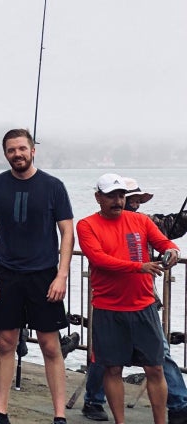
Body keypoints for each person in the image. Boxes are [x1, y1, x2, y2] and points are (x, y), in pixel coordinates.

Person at [0, 128, 73, 424]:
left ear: (33, 150)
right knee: (5, 342)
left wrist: (62, 275)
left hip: (44, 275)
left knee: (49, 344)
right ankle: (1, 413)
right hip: (6, 274)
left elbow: (67, 232)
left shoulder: (53, 186)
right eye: (11, 150)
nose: (17, 154)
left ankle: (59, 416)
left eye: (22, 148)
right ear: (5, 154)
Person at [76, 174, 181, 424]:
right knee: (113, 368)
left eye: (121, 195)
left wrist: (172, 251)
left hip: (143, 306)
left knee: (155, 367)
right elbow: (99, 258)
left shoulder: (141, 221)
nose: (117, 200)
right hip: (108, 308)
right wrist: (139, 267)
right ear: (98, 197)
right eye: (111, 195)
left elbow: (163, 241)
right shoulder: (86, 225)